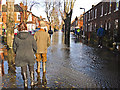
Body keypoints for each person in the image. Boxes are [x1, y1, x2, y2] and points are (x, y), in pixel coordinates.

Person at [13, 22, 37, 88]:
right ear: (26, 28)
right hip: (30, 54)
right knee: (31, 68)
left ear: (19, 28)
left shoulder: (16, 37)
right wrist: (33, 52)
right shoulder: (31, 36)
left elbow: (14, 48)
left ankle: (25, 81)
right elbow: (35, 46)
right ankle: (32, 81)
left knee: (23, 69)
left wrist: (17, 52)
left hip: (20, 55)